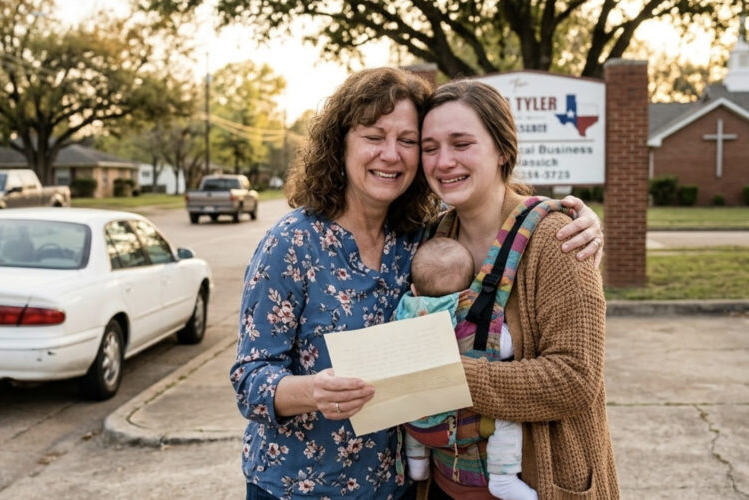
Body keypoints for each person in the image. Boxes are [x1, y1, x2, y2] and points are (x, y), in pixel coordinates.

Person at [230, 67, 604, 500]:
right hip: (299, 487)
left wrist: (581, 220)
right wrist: (310, 391)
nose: (392, 154)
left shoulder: (414, 239)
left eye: (408, 141)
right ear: (341, 144)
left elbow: (575, 370)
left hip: (398, 485)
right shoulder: (292, 243)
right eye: (374, 136)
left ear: (502, 150)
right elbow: (249, 379)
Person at [417, 79, 619, 499]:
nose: (443, 161)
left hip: (537, 484)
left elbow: (575, 379)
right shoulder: (429, 239)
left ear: (503, 150)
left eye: (461, 143)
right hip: (441, 487)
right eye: (430, 147)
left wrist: (444, 375)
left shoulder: (557, 239)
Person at [394, 238, 536, 500]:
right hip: (455, 427)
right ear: (469, 290)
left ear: (414, 289)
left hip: (419, 429)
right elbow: (504, 347)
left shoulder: (403, 313)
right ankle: (503, 477)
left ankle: (417, 463)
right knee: (507, 418)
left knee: (410, 404)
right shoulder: (467, 322)